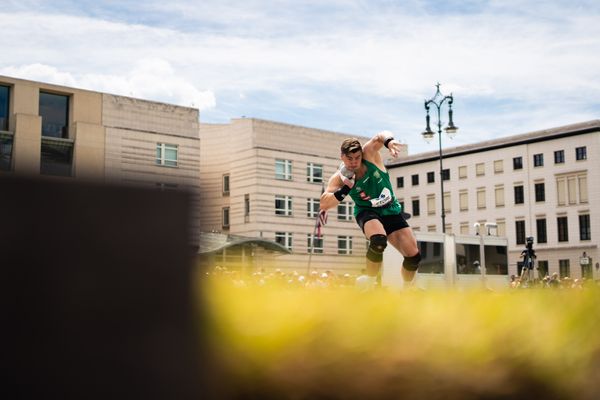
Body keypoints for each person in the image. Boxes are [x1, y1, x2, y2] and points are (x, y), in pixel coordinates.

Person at [320, 131, 420, 289]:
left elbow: (380, 135)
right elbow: (325, 203)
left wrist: (389, 141)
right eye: (349, 159)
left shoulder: (369, 155)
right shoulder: (339, 178)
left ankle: (408, 289)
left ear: (361, 155)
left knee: (413, 257)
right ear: (342, 157)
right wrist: (345, 190)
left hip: (390, 209)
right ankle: (370, 281)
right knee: (378, 241)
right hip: (367, 212)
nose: (354, 162)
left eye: (357, 158)